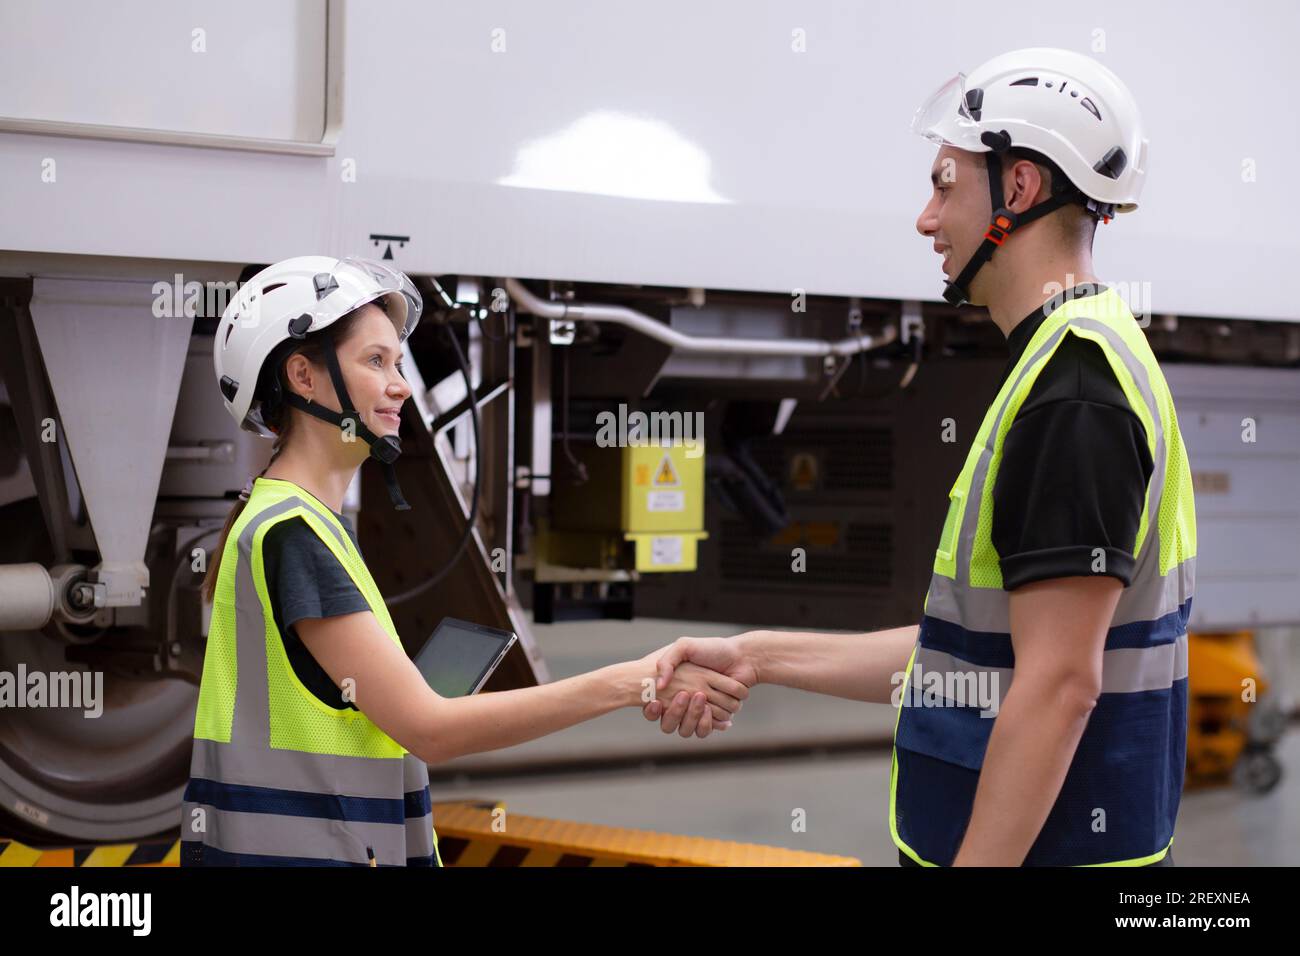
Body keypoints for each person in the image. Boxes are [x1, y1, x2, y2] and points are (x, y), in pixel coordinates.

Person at [645, 48, 1196, 868]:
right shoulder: (1071, 360)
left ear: (1018, 190)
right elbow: (969, 658)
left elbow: (1058, 686)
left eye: (945, 184)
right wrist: (755, 657)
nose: (926, 218)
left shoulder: (1075, 395)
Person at [181, 255, 747, 866]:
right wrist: (632, 682)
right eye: (376, 361)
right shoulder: (294, 536)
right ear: (303, 376)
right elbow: (431, 730)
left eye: (397, 363)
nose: (400, 385)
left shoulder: (290, 521)